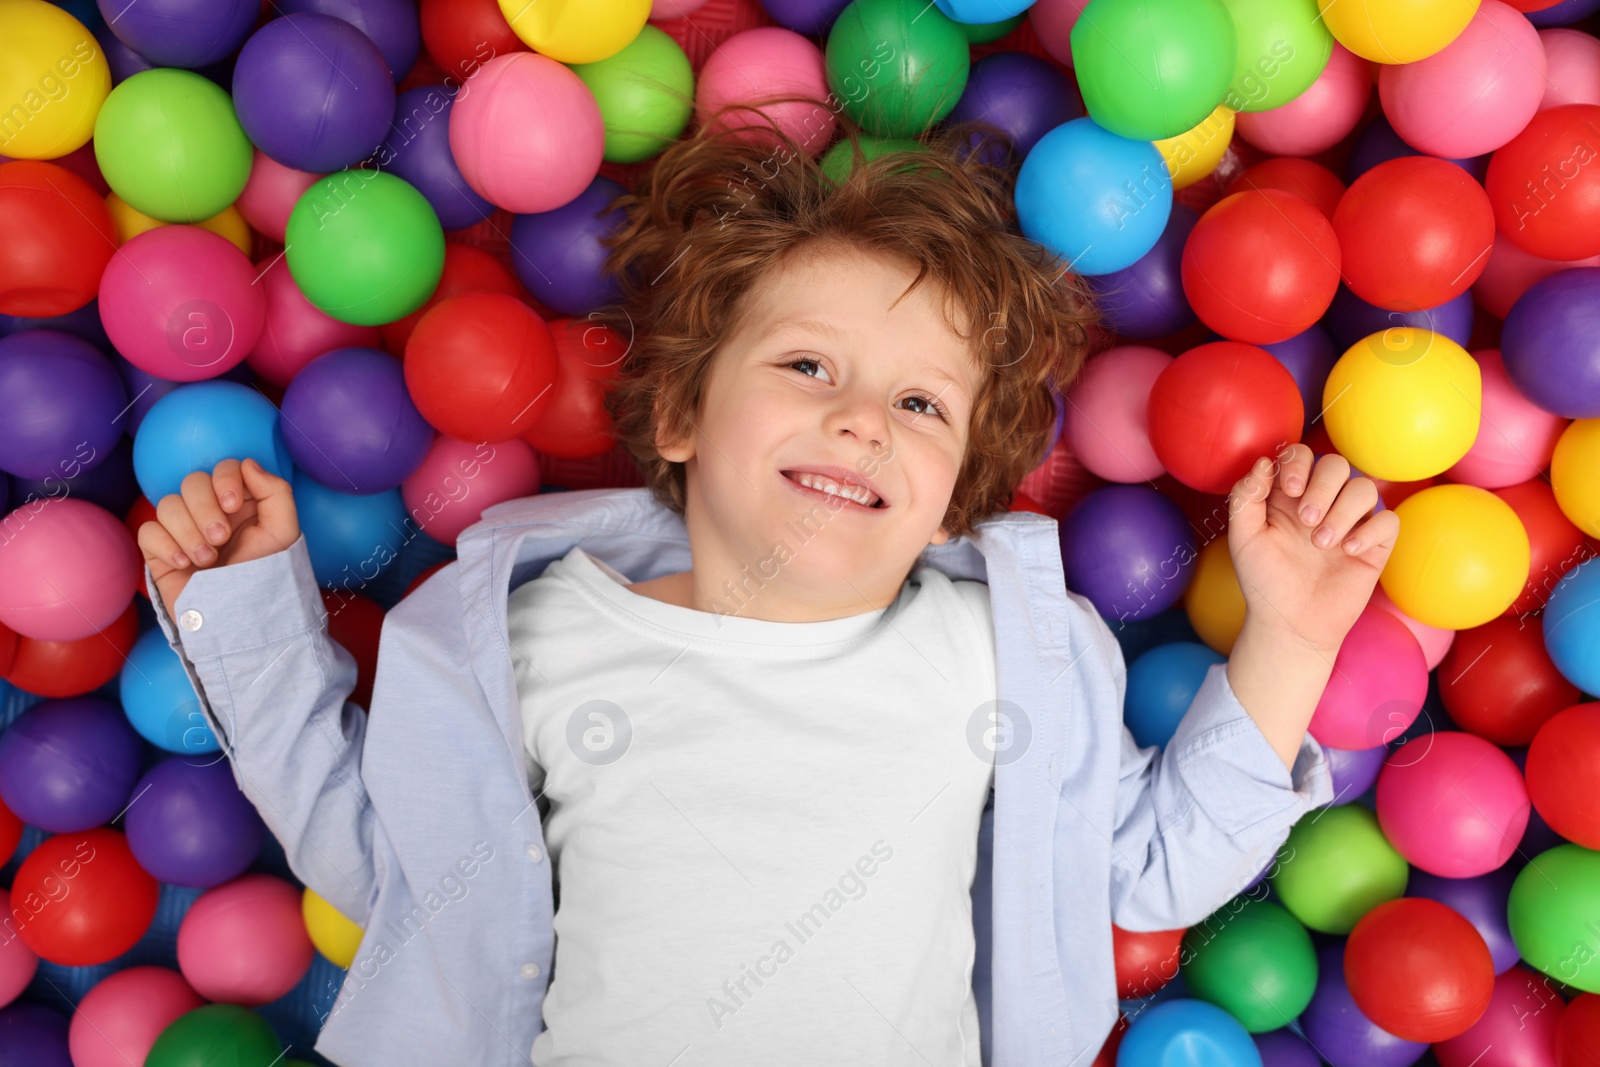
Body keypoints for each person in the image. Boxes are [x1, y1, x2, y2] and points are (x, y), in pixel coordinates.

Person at [136, 97, 1397, 1067]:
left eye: (918, 402)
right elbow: (386, 863)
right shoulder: (532, 637)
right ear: (681, 414)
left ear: (958, 485)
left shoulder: (1002, 655)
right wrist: (252, 618)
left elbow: (1146, 867)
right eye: (806, 366)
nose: (860, 421)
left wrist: (1287, 637)